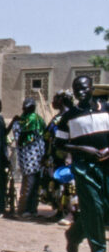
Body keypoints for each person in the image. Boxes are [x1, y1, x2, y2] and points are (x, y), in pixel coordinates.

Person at [57, 76, 109, 252]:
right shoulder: (68, 117)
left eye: (84, 88)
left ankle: (75, 234)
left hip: (106, 166)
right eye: (77, 88)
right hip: (84, 167)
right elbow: (60, 145)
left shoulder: (106, 108)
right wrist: (84, 150)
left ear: (92, 89)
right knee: (94, 207)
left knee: (104, 208)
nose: (81, 91)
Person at [42, 91, 74, 223]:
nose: (53, 102)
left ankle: (71, 213)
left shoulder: (70, 116)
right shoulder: (58, 117)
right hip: (53, 157)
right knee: (56, 184)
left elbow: (72, 138)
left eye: (55, 99)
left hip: (65, 156)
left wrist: (69, 156)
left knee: (68, 184)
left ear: (61, 100)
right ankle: (60, 210)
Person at [12, 97, 46, 218]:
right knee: (29, 185)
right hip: (28, 158)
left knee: (35, 185)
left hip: (38, 158)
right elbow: (19, 140)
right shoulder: (20, 123)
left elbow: (44, 136)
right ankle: (23, 209)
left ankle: (32, 209)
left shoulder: (37, 120)